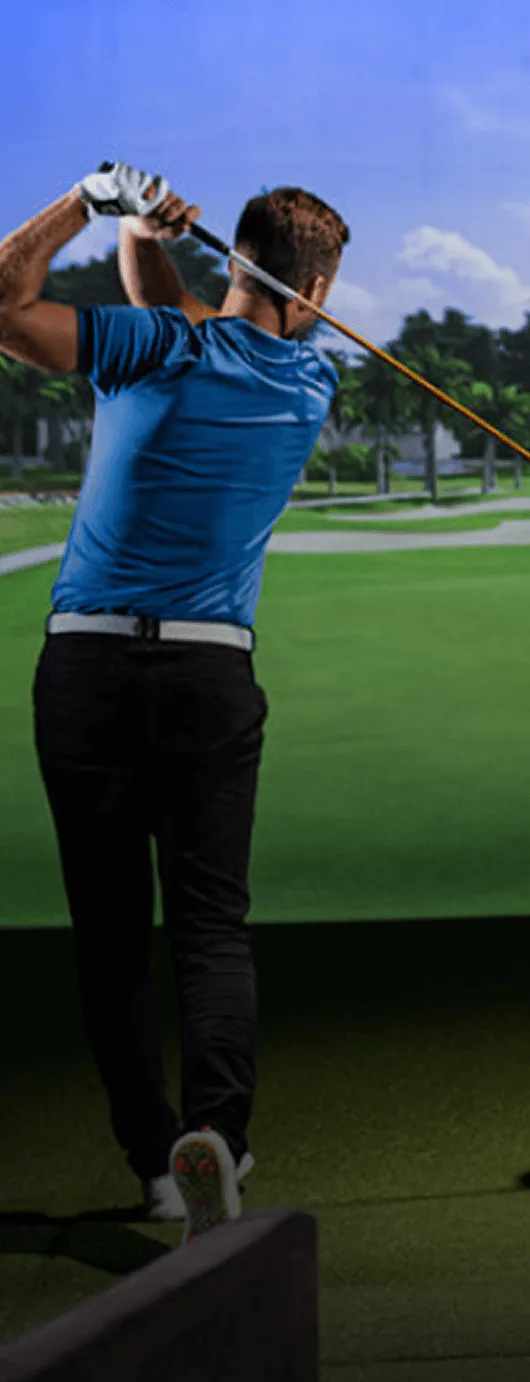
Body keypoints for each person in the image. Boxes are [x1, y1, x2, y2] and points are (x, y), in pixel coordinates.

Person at [0, 163, 350, 1246]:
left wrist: (91, 203)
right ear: (319, 287)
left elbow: (14, 306)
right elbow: (195, 320)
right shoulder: (307, 385)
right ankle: (219, 1134)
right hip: (207, 680)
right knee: (209, 925)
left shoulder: (159, 348)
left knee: (110, 940)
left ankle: (156, 1164)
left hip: (86, 674)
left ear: (238, 254)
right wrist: (153, 236)